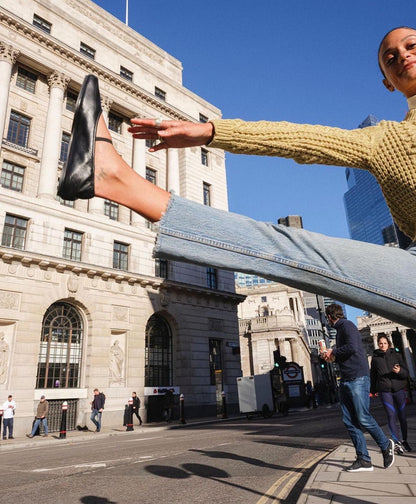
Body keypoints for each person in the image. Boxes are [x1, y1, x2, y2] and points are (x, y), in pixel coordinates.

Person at [57, 27, 416, 329]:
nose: (401, 56)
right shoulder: (384, 141)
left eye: (410, 45)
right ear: (387, 83)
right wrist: (210, 132)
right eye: (390, 57)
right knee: (297, 249)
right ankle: (116, 181)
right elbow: (298, 139)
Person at [322, 303, 394, 472]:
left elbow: (353, 347)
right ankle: (363, 459)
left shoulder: (346, 325)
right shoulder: (340, 330)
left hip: (358, 377)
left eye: (327, 318)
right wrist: (331, 356)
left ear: (330, 317)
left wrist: (333, 352)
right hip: (347, 378)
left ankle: (385, 445)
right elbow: (346, 353)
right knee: (349, 420)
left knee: (362, 417)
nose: (328, 321)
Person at [370, 335, 412, 454]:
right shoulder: (375, 358)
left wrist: (399, 371)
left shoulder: (396, 355)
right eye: (380, 343)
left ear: (389, 344)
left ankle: (404, 440)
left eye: (385, 343)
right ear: (378, 344)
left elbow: (406, 373)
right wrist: (372, 390)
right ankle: (397, 442)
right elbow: (373, 375)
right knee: (390, 415)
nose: (383, 345)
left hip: (398, 389)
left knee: (402, 417)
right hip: (384, 391)